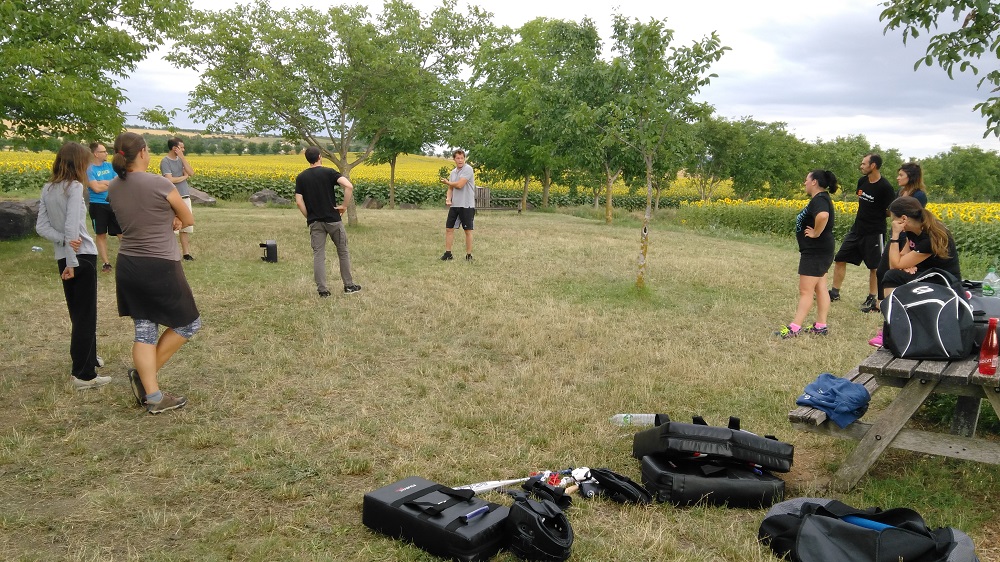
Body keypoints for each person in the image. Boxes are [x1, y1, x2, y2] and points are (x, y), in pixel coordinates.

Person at [109, 132, 201, 414]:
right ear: (143, 152)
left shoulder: (113, 186)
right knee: (188, 324)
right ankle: (145, 379)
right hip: (160, 264)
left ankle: (153, 393)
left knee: (145, 329)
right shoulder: (159, 183)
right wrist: (173, 219)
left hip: (128, 265)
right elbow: (187, 218)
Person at [35, 142, 110, 389]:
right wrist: (72, 257)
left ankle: (89, 358)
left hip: (65, 256)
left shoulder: (48, 188)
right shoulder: (75, 186)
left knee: (78, 313)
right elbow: (70, 225)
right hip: (81, 257)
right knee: (85, 316)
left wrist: (64, 244)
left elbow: (42, 227)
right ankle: (83, 374)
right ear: (78, 163)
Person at [869, 196, 960, 347]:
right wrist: (905, 264)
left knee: (891, 276)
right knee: (893, 275)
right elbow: (902, 257)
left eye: (893, 219)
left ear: (903, 218)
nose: (892, 223)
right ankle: (895, 326)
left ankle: (892, 329)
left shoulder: (930, 237)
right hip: (927, 275)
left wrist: (895, 236)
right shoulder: (914, 230)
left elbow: (894, 264)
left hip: (944, 283)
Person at [828, 153, 896, 313]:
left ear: (873, 166)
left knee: (875, 267)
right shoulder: (863, 181)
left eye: (864, 164)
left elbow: (891, 211)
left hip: (874, 232)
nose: (861, 166)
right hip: (857, 230)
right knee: (840, 258)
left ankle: (873, 297)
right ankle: (834, 293)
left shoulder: (885, 187)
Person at [775, 169, 838, 339]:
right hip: (820, 250)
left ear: (814, 182)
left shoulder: (819, 199)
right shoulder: (822, 198)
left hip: (816, 252)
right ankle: (821, 326)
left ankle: (794, 328)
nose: (804, 183)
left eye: (806, 180)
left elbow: (823, 216)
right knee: (820, 287)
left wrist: (816, 233)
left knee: (805, 290)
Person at [294, 146, 361, 297]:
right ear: (319, 157)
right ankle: (349, 285)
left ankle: (323, 290)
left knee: (319, 254)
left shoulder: (301, 177)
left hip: (315, 221)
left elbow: (299, 201)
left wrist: (309, 216)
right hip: (333, 220)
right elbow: (349, 186)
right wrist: (344, 206)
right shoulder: (329, 172)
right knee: (342, 251)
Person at [873, 162, 929, 308]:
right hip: (897, 233)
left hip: (906, 234)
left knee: (892, 269)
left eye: (901, 175)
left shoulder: (919, 195)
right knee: (883, 269)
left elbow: (914, 217)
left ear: (910, 177)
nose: (898, 178)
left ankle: (889, 303)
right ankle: (880, 303)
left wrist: (908, 262)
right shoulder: (900, 192)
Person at [86, 142, 123, 272]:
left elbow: (118, 182)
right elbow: (95, 189)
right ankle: (106, 263)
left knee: (121, 232)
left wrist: (103, 182)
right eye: (103, 151)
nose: (107, 153)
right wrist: (109, 183)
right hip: (98, 205)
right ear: (96, 154)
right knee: (101, 233)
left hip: (113, 203)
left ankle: (127, 258)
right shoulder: (89, 169)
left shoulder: (110, 166)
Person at [160, 138, 196, 261]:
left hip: (185, 195)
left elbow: (191, 173)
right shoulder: (165, 161)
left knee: (186, 225)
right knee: (172, 225)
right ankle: (170, 252)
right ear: (174, 148)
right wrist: (183, 177)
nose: (183, 150)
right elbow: (169, 180)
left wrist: (183, 158)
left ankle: (186, 253)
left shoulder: (181, 160)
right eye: (181, 147)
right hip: (173, 197)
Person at [440, 148, 476, 261]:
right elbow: (451, 188)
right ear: (454, 159)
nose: (460, 160)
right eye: (458, 158)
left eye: (462, 158)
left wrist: (447, 182)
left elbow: (460, 185)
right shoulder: (453, 172)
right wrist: (448, 199)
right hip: (455, 205)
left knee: (467, 231)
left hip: (466, 205)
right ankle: (448, 253)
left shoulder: (468, 169)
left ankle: (469, 255)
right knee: (449, 229)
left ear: (464, 159)